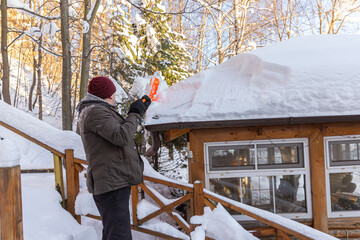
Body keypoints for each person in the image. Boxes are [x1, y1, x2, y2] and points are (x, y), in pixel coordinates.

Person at [77, 76, 151, 240]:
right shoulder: (95, 112)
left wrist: (137, 111)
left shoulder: (94, 111)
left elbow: (116, 133)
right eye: (114, 93)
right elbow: (121, 136)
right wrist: (134, 113)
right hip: (111, 184)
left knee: (113, 233)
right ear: (109, 95)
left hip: (112, 182)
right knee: (119, 235)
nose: (115, 97)